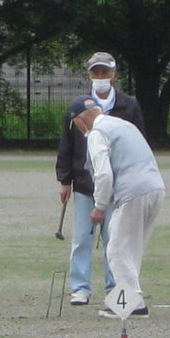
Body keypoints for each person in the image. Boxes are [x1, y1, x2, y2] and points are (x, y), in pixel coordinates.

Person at [55, 52, 146, 306]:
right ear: (89, 75)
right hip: (85, 184)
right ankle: (80, 289)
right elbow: (66, 145)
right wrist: (65, 180)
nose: (100, 77)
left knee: (114, 240)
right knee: (81, 238)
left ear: (114, 76)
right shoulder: (77, 107)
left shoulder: (129, 106)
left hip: (119, 185)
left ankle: (114, 288)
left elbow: (138, 141)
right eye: (95, 72)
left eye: (105, 72)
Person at [66, 96, 165, 318]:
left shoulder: (97, 133)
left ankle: (133, 304)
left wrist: (100, 206)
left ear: (80, 121)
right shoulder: (123, 125)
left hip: (132, 192)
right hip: (156, 188)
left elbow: (103, 174)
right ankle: (127, 301)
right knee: (131, 249)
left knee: (116, 249)